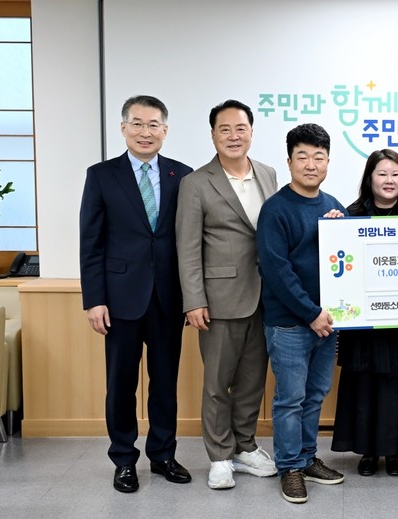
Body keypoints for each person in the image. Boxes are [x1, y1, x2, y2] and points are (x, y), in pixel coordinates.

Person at [79, 95, 193, 493]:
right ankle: (124, 459)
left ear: (165, 130)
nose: (146, 132)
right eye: (138, 124)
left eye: (154, 124)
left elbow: (188, 241)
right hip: (119, 299)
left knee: (165, 383)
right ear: (124, 128)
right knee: (121, 384)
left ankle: (162, 454)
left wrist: (192, 297)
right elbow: (90, 242)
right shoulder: (101, 175)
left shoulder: (182, 175)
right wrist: (94, 299)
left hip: (168, 298)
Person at [175, 100, 278, 490]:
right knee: (218, 383)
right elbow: (187, 247)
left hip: (265, 296)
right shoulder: (196, 183)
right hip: (218, 299)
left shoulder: (268, 174)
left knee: (253, 381)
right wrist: (194, 300)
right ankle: (219, 456)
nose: (234, 136)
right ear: (213, 134)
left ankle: (245, 446)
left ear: (252, 131)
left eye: (241, 128)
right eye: (225, 129)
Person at [331, 149, 398, 477]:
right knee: (365, 385)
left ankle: (395, 452)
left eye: (395, 174)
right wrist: (331, 230)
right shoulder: (349, 217)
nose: (389, 180)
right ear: (369, 178)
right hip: (365, 326)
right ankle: (367, 452)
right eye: (382, 174)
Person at [256, 123, 347, 504]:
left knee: (315, 395)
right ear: (289, 161)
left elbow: (347, 262)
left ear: (328, 161)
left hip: (328, 323)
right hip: (291, 323)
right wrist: (311, 313)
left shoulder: (335, 206)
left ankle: (308, 458)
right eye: (303, 157)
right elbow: (277, 271)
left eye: (319, 157)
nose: (311, 164)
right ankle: (290, 466)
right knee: (290, 399)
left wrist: (342, 234)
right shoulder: (276, 210)